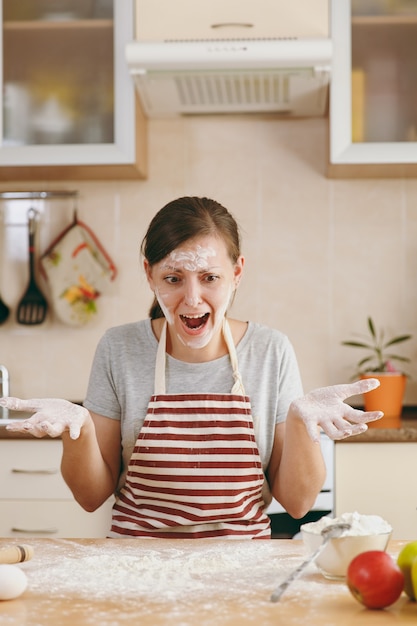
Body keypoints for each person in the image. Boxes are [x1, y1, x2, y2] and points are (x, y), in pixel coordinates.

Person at [1, 196, 382, 539]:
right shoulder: (119, 348)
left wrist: (302, 425)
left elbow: (297, 503)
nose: (192, 299)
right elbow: (90, 496)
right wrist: (78, 429)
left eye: (210, 277)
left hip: (242, 569)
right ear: (149, 275)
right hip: (134, 568)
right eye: (173, 279)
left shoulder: (271, 351)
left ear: (237, 273)